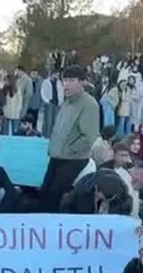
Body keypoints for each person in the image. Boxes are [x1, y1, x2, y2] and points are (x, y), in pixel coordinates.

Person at [40, 65, 99, 212]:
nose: (66, 84)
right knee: (44, 192)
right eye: (64, 80)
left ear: (82, 82)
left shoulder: (89, 104)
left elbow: (88, 136)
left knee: (55, 196)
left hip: (74, 159)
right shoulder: (66, 103)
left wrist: (69, 150)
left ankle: (55, 229)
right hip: (57, 157)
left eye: (71, 80)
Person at [40, 72, 64, 138]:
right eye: (56, 74)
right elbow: (43, 92)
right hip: (49, 103)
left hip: (57, 103)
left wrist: (61, 101)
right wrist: (46, 100)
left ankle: (53, 136)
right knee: (48, 121)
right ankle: (46, 135)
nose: (57, 76)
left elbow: (61, 92)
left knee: (55, 121)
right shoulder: (46, 82)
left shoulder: (59, 82)